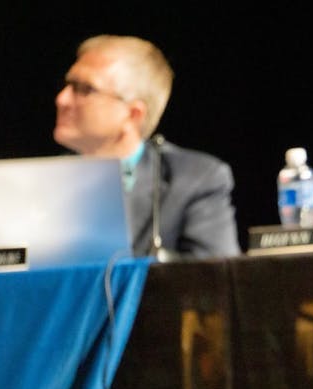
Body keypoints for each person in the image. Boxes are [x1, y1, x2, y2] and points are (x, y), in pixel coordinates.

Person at [54, 34, 241, 259]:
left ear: (133, 114)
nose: (62, 99)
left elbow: (215, 280)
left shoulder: (195, 180)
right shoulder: (47, 181)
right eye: (68, 85)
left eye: (85, 89)